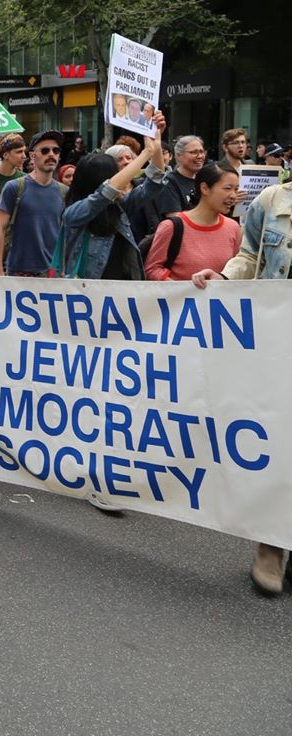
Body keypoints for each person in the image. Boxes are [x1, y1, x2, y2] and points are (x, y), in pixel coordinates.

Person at [192, 178, 292, 594]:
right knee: (280, 438)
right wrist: (226, 277)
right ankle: (271, 545)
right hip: (277, 339)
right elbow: (250, 255)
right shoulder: (273, 200)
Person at [57, 112, 168, 283]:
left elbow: (154, 181)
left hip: (122, 291)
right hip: (88, 294)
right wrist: (146, 153)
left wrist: (156, 143)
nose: (123, 177)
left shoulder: (119, 207)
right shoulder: (74, 214)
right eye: (116, 174)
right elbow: (106, 192)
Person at [145, 162, 241, 281]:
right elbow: (152, 269)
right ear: (204, 188)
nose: (233, 195)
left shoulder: (233, 227)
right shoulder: (171, 226)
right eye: (227, 188)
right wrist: (183, 290)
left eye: (236, 189)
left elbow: (237, 270)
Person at [0, 132, 68, 277]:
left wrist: (64, 268)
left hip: (53, 272)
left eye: (56, 150)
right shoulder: (14, 187)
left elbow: (65, 233)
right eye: (45, 151)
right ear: (33, 156)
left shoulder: (64, 191)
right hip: (20, 271)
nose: (51, 154)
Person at [128, 134, 206, 242]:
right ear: (178, 155)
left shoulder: (205, 180)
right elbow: (175, 219)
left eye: (201, 152)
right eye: (193, 152)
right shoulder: (169, 182)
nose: (199, 156)